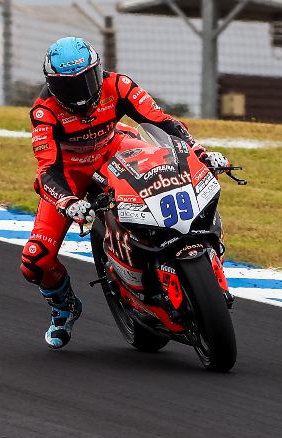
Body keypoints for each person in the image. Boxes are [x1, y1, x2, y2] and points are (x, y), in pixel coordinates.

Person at [22, 36, 230, 349]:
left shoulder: (118, 85)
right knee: (36, 260)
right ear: (52, 85)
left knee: (175, 172)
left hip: (116, 148)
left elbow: (161, 121)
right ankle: (64, 307)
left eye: (85, 81)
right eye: (68, 86)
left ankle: (198, 253)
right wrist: (68, 202)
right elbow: (47, 170)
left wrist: (198, 151)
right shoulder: (44, 112)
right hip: (72, 171)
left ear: (97, 71)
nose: (79, 94)